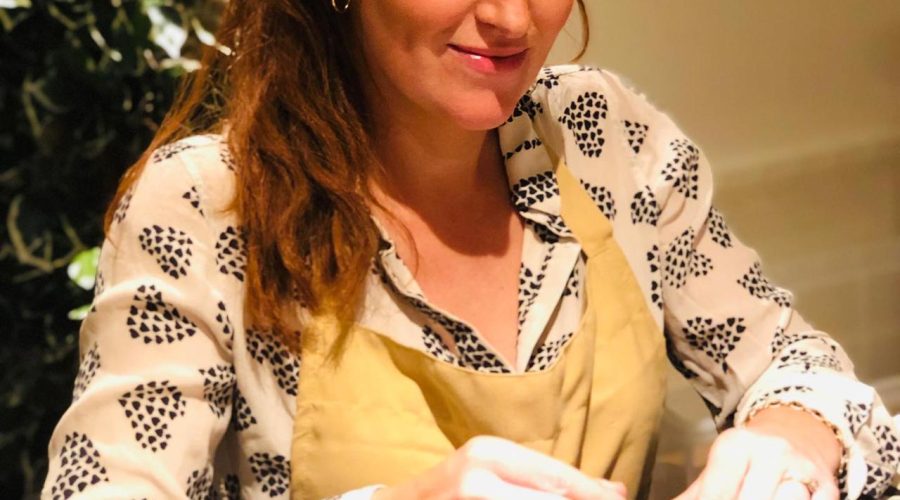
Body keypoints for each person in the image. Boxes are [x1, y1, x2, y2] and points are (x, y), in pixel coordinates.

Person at [41, 0, 900, 499]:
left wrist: (788, 444)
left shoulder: (603, 138)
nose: (510, 16)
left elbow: (799, 366)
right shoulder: (205, 207)